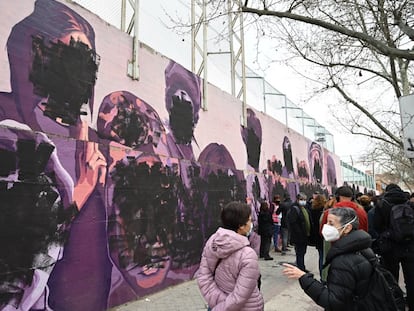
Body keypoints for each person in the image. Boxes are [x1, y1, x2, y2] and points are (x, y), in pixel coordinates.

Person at [282, 207, 376, 310]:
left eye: (331, 223)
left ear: (347, 228)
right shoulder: (361, 249)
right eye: (326, 222)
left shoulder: (343, 261)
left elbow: (333, 301)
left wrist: (304, 278)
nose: (326, 227)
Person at [197, 201, 264, 310]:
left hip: (216, 305)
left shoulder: (213, 242)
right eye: (250, 220)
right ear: (241, 226)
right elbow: (239, 297)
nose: (251, 224)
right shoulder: (248, 254)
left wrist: (218, 302)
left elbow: (203, 276)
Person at [374, 183, 414, 310]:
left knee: (391, 279)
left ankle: (396, 305)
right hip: (410, 246)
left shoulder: (382, 204)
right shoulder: (409, 203)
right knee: (411, 279)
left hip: (390, 247)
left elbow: (377, 226)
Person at [287, 192, 311, 271]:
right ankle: (300, 268)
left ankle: (301, 266)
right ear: (297, 200)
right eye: (301, 199)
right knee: (299, 253)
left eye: (304, 200)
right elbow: (293, 223)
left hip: (305, 235)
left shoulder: (304, 208)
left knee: (303, 252)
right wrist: (299, 233)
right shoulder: (294, 209)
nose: (303, 201)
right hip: (299, 236)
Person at [309, 194, 326, 279]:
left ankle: (321, 275)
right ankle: (324, 275)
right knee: (324, 256)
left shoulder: (312, 210)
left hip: (317, 235)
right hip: (324, 235)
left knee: (320, 256)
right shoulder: (324, 211)